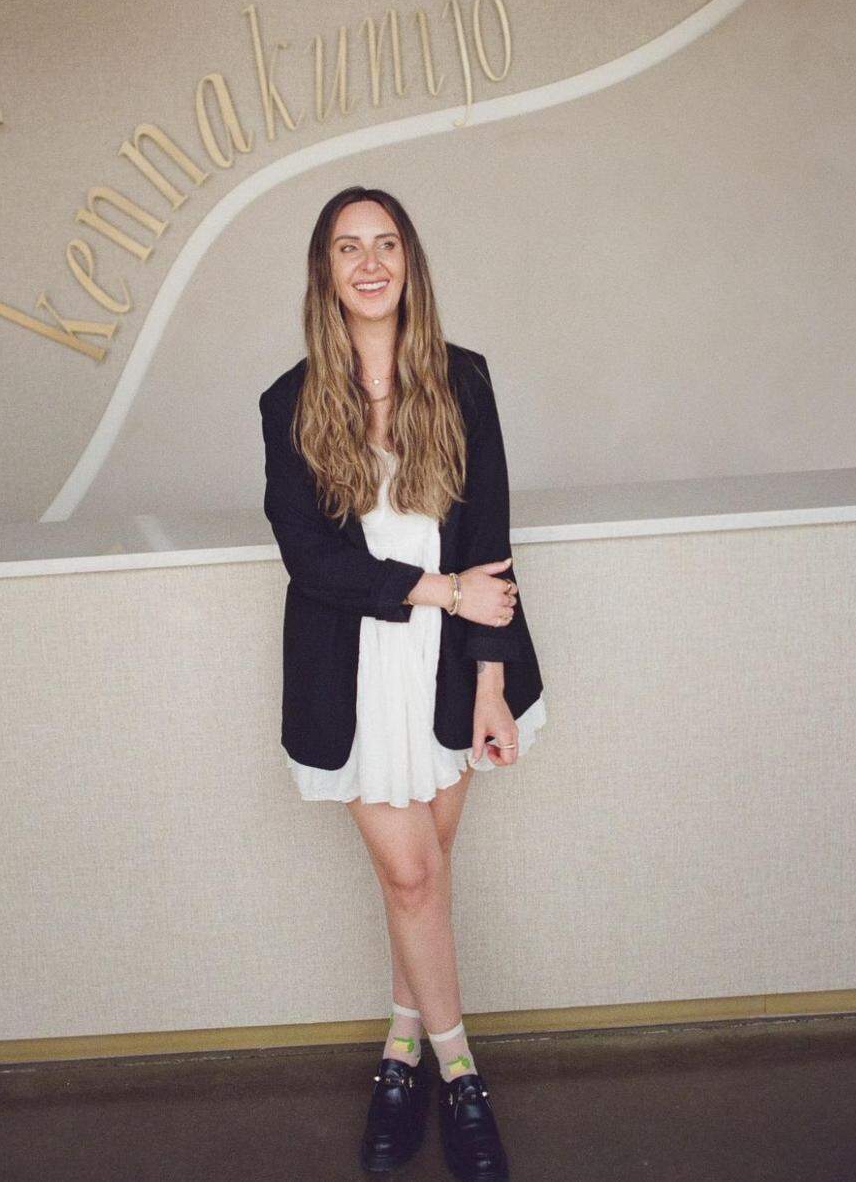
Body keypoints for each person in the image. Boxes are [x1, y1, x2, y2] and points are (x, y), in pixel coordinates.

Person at [258, 185, 547, 1182]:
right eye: (350, 247)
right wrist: (441, 588)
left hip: (455, 667)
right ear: (325, 273)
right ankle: (462, 1076)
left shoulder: (463, 381)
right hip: (356, 673)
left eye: (387, 243)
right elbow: (316, 563)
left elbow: (492, 541)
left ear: (409, 263)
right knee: (414, 876)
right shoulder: (288, 404)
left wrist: (493, 685)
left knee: (415, 879)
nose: (371, 262)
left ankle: (399, 1044)